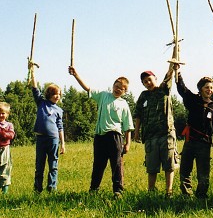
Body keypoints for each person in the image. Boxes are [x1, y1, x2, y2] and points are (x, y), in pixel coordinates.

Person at [68, 66, 134, 197]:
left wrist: (127, 144)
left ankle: (118, 190)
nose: (118, 89)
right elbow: (87, 88)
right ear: (113, 86)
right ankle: (93, 189)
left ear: (125, 91)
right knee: (98, 164)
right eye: (116, 86)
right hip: (100, 137)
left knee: (116, 164)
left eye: (121, 88)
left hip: (115, 136)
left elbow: (128, 126)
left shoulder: (123, 104)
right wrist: (76, 75)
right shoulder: (103, 96)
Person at [176, 69, 213, 199]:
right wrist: (178, 73)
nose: (209, 90)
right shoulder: (193, 100)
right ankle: (187, 194)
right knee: (185, 169)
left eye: (211, 87)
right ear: (200, 89)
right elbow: (182, 89)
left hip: (204, 143)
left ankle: (201, 195)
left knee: (203, 171)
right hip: (189, 141)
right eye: (206, 87)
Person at [133, 63, 178, 197]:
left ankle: (168, 192)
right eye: (145, 81)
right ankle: (151, 191)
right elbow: (138, 115)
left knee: (169, 164)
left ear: (155, 78)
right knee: (151, 167)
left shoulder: (164, 89)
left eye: (149, 79)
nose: (148, 82)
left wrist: (174, 57)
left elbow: (170, 74)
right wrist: (136, 132)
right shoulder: (143, 96)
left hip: (166, 134)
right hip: (150, 136)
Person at [29, 63, 65, 193]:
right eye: (55, 94)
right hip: (41, 139)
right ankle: (37, 189)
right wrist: (32, 72)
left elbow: (60, 127)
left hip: (54, 140)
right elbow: (35, 88)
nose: (58, 96)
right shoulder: (41, 103)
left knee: (53, 165)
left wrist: (63, 144)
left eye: (59, 94)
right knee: (39, 165)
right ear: (49, 93)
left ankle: (52, 188)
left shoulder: (59, 110)